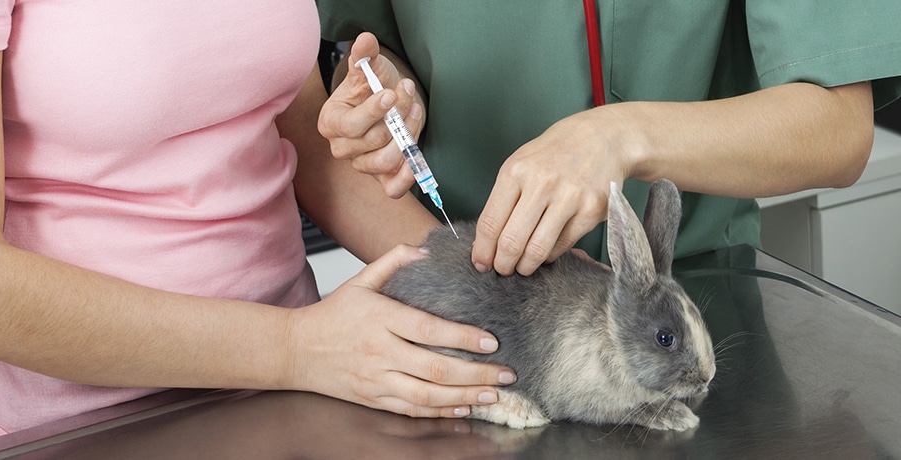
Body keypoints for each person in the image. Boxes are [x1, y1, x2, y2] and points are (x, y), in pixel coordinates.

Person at [0, 1, 518, 453]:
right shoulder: (298, 350)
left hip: (288, 406)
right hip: (72, 431)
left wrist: (493, 286)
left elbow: (296, 124)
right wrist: (294, 347)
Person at [316, 1, 901, 276]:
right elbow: (363, 46)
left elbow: (838, 127)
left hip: (694, 296)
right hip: (465, 284)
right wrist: (381, 95)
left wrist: (621, 137)